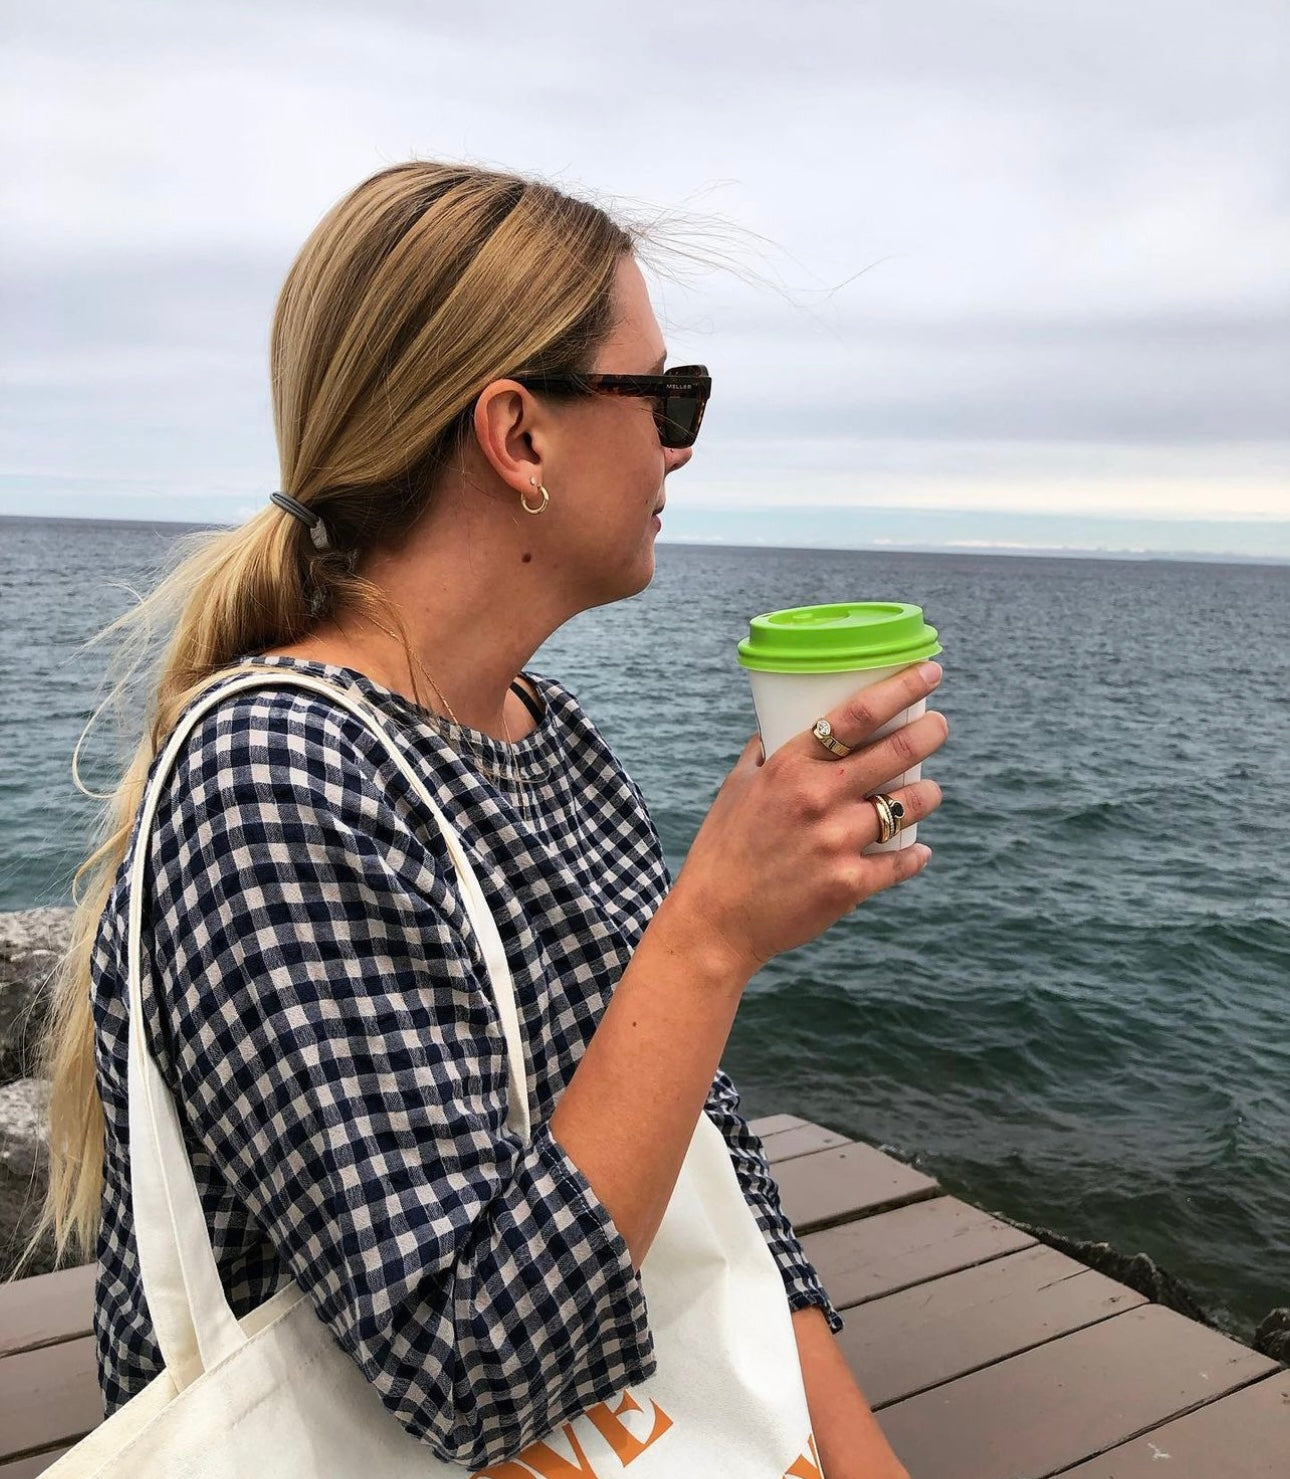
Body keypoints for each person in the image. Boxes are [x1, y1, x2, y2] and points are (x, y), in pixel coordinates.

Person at [22, 161, 946, 1475]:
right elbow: (466, 1368)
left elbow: (708, 1174)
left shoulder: (548, 738)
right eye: (664, 396)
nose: (680, 443)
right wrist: (710, 934)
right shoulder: (274, 773)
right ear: (517, 436)